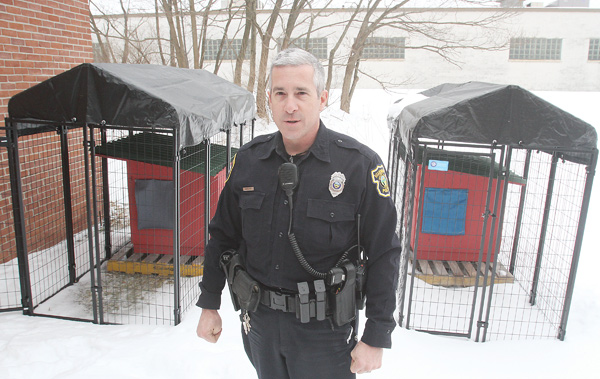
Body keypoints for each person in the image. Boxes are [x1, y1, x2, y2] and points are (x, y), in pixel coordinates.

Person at [196, 48, 401, 378]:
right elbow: (222, 236)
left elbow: (384, 253)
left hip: (326, 333)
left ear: (321, 99)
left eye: (301, 93)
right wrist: (209, 303)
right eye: (280, 93)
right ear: (270, 100)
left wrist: (377, 334)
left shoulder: (359, 165)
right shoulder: (249, 161)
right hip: (259, 323)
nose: (290, 105)